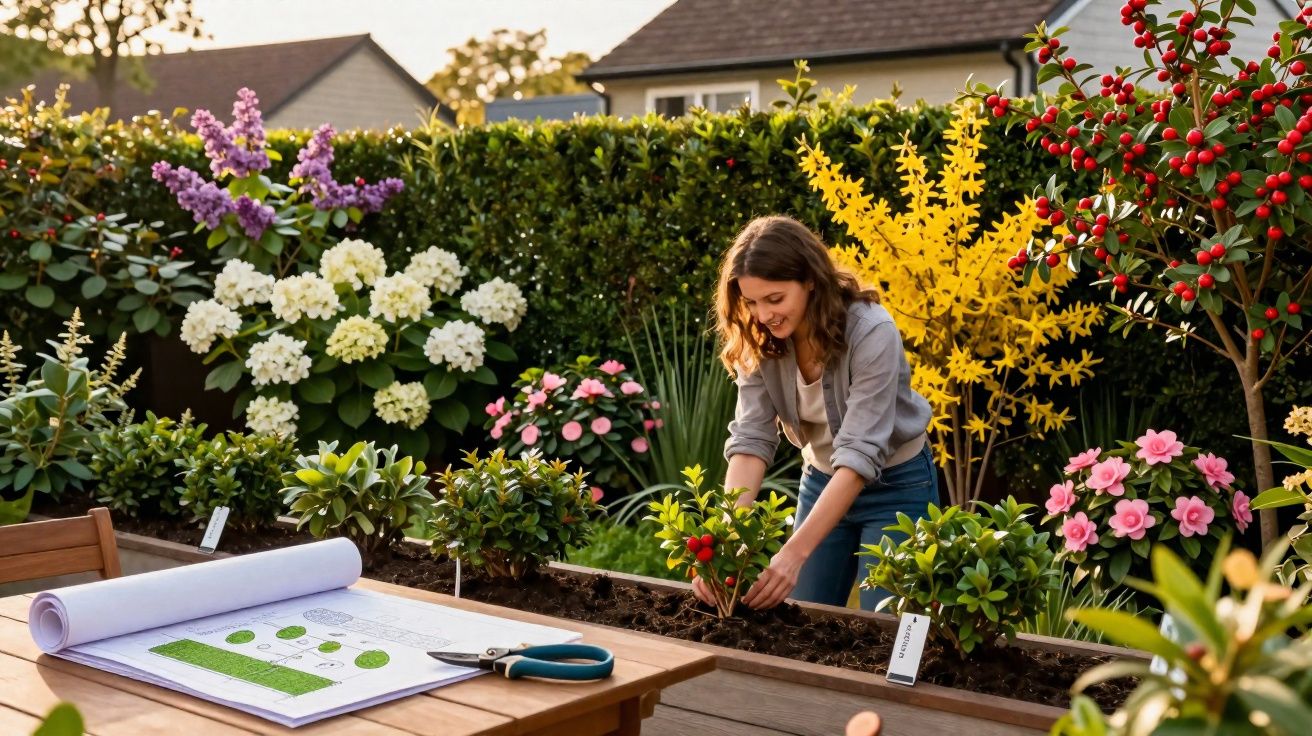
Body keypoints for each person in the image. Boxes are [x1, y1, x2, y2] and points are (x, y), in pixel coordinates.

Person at [694, 214, 937, 612]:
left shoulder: (871, 331)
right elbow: (752, 439)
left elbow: (860, 454)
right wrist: (726, 537)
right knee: (800, 618)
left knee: (889, 631)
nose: (763, 315)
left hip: (898, 485)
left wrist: (792, 553)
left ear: (810, 280)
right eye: (752, 302)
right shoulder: (758, 336)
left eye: (775, 299)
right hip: (823, 481)